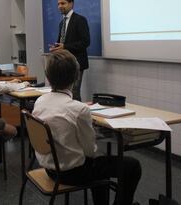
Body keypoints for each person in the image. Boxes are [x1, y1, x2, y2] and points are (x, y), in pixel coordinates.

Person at [33, 50, 141, 205]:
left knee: (100, 166)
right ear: (76, 78)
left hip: (50, 169)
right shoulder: (79, 109)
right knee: (132, 166)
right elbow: (89, 151)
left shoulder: (40, 101)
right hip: (72, 173)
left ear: (48, 77)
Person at [49, 0, 90, 101]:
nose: (60, 6)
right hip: (63, 63)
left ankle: (78, 116)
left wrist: (65, 47)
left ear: (71, 4)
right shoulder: (62, 23)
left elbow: (85, 42)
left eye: (63, 3)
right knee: (63, 94)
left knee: (74, 93)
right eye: (58, 4)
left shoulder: (80, 20)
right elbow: (61, 42)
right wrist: (55, 47)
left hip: (77, 63)